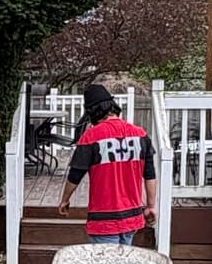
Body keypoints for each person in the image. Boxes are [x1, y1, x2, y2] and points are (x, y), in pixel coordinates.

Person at [57, 81, 156, 241]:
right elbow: (150, 174)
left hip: (103, 220)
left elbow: (75, 175)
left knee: (105, 258)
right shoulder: (140, 135)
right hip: (132, 217)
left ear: (92, 112)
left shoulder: (90, 138)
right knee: (124, 256)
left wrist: (65, 200)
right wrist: (151, 206)